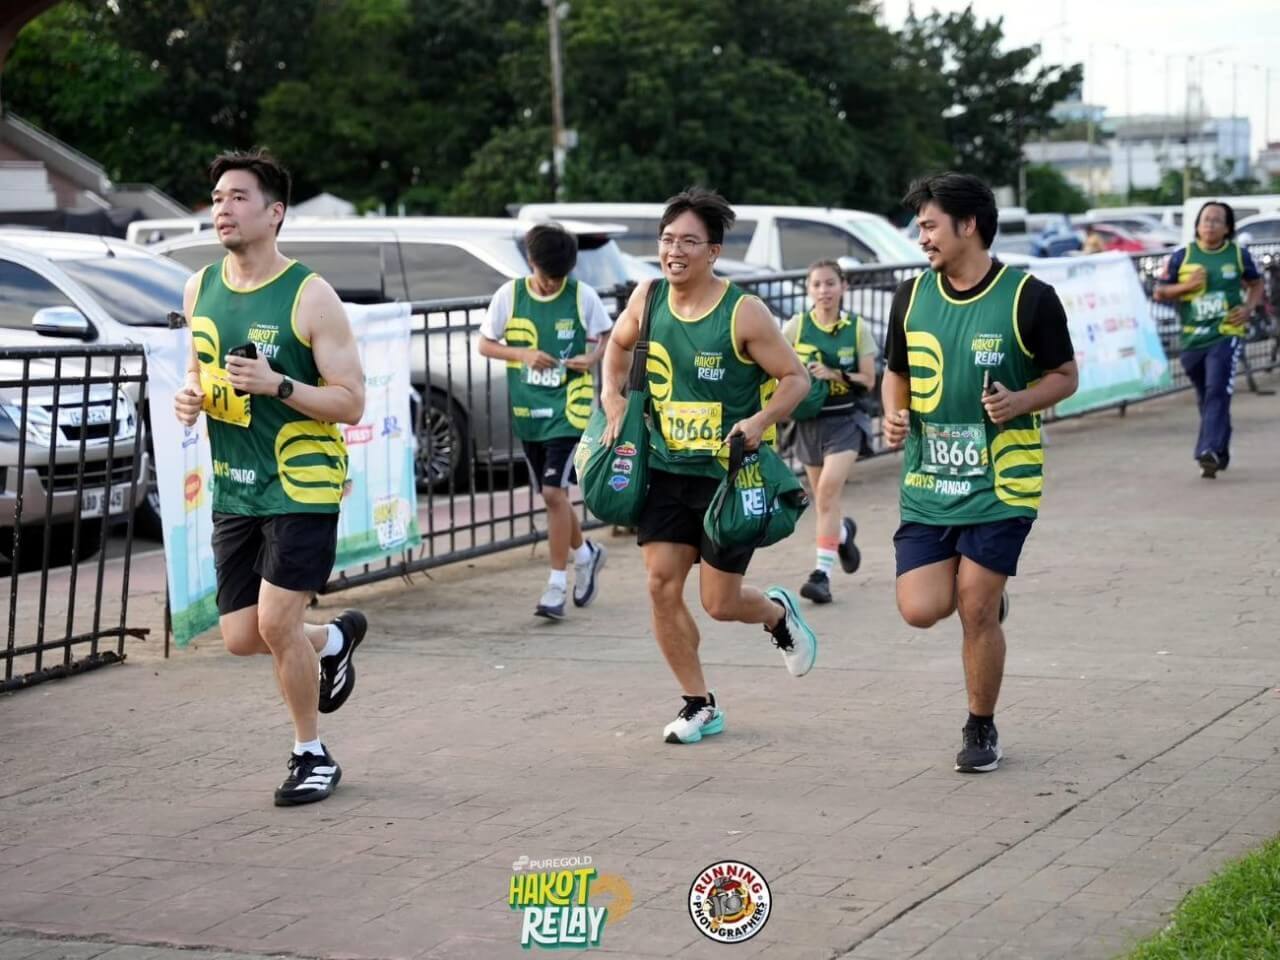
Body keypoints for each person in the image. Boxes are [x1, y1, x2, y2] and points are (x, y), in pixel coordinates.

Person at [172, 149, 367, 806]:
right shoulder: (199, 287)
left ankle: (310, 753)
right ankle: (333, 638)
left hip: (302, 483)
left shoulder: (310, 295)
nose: (221, 208)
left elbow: (352, 402)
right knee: (240, 636)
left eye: (238, 197)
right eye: (218, 197)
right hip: (235, 482)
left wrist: (281, 385)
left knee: (278, 624)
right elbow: (202, 372)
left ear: (275, 212)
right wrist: (191, 397)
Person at [600, 187, 818, 745]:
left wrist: (762, 420)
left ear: (713, 252)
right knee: (659, 585)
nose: (674, 250)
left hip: (727, 475)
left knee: (719, 604)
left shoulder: (743, 312)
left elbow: (796, 379)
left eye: (688, 241)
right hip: (666, 469)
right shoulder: (647, 298)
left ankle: (775, 615)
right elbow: (617, 347)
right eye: (667, 239)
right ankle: (699, 704)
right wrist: (614, 398)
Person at [882, 172, 1078, 773]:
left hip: (1002, 481)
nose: (923, 238)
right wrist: (894, 411)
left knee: (973, 605)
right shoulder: (910, 297)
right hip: (929, 482)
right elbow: (897, 370)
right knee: (920, 608)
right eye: (920, 228)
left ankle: (980, 727)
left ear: (968, 225)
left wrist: (1020, 401)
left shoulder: (1029, 297)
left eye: (931, 225)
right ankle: (990, 602)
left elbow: (1066, 376)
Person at [478, 223, 612, 618]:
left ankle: (556, 585)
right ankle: (586, 553)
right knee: (551, 495)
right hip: (529, 410)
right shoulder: (510, 295)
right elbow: (485, 343)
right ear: (531, 263)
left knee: (555, 492)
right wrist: (523, 355)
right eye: (546, 277)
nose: (553, 285)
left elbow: (607, 334)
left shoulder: (582, 296)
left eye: (560, 278)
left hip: (569, 409)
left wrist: (591, 358)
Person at [782, 259, 876, 604]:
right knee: (824, 500)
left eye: (830, 283)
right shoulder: (796, 327)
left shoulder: (857, 329)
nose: (824, 291)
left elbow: (869, 380)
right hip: (808, 422)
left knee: (826, 495)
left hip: (845, 421)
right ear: (809, 290)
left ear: (843, 287)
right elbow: (772, 362)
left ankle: (821, 575)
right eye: (817, 284)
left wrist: (833, 374)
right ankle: (844, 532)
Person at [1153, 201, 1263, 478]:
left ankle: (1207, 451)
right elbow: (1160, 292)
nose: (1210, 225)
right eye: (1206, 220)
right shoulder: (1182, 256)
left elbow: (1256, 283)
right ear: (1197, 226)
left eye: (1217, 220)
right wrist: (1187, 287)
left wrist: (1248, 309)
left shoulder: (1238, 255)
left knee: (1217, 390)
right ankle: (1218, 450)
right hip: (1192, 339)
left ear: (1227, 228)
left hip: (1226, 334)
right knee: (1208, 397)